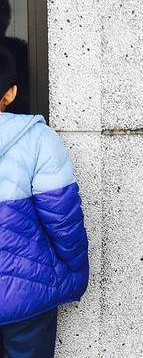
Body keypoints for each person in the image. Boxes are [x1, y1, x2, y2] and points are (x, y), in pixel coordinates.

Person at [0, 46, 89, 358]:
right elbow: (63, 221)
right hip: (29, 295)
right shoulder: (38, 139)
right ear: (10, 93)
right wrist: (75, 274)